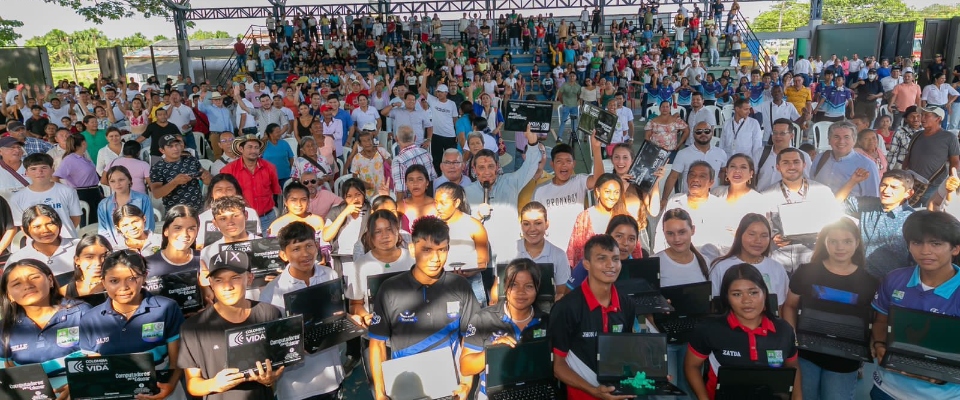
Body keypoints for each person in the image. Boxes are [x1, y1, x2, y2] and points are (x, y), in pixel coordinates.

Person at [368, 216, 478, 400]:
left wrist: (465, 385)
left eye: (442, 250)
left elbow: (470, 339)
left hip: (450, 390)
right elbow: (377, 343)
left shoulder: (460, 287)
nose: (435, 258)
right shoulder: (390, 290)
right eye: (426, 250)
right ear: (412, 249)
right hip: (404, 391)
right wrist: (380, 392)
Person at [780, 218, 878, 400]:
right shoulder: (806, 271)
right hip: (806, 353)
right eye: (833, 241)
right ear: (825, 242)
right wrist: (792, 339)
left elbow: (874, 319)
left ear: (857, 243)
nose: (840, 247)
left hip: (845, 359)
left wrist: (872, 343)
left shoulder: (870, 282)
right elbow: (790, 305)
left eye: (847, 241)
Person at [871, 210, 960, 399]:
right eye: (917, 242)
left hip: (942, 395)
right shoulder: (894, 279)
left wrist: (943, 373)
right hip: (886, 389)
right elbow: (880, 321)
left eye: (936, 243)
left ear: (955, 248)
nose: (925, 251)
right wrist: (879, 344)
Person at [79, 249, 187, 400]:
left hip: (162, 391)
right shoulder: (89, 320)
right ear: (103, 282)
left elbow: (178, 360)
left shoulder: (167, 308)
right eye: (114, 281)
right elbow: (97, 368)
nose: (123, 287)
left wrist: (169, 386)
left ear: (144, 277)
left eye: (132, 279)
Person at [179, 248, 285, 399]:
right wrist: (215, 384)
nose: (227, 286)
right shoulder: (193, 328)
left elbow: (277, 365)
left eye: (235, 278)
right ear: (211, 283)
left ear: (249, 278)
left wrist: (269, 380)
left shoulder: (269, 314)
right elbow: (193, 384)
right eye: (219, 280)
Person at [685, 263, 802, 400]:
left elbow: (793, 367)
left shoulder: (784, 330)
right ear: (727, 297)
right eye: (737, 294)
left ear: (764, 293)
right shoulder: (709, 329)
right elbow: (691, 365)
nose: (746, 300)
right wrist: (703, 398)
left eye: (753, 292)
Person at [258, 221, 345, 399]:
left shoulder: (330, 275)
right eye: (296, 249)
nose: (305, 254)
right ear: (283, 254)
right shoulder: (271, 293)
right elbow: (271, 344)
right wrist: (295, 346)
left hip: (331, 375)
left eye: (309, 246)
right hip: (295, 385)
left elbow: (337, 313)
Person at [550, 234, 639, 399]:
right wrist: (593, 390)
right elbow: (558, 367)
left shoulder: (627, 304)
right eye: (602, 258)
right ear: (586, 264)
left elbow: (626, 354)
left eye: (615, 259)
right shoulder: (566, 308)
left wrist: (651, 377)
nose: (610, 265)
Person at [461, 258, 551, 400]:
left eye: (528, 286)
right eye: (514, 285)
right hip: (492, 395)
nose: (521, 292)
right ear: (505, 287)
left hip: (534, 392)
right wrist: (493, 350)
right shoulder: (483, 319)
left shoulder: (547, 321)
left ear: (537, 288)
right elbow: (466, 367)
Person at [0, 259, 90, 400]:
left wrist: (80, 383)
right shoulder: (4, 329)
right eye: (17, 283)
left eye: (34, 277)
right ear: (9, 295)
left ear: (50, 280)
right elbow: (6, 378)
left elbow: (102, 358)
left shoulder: (81, 313)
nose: (28, 285)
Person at [466, 124, 542, 262]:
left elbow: (531, 164)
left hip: (508, 254)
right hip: (479, 256)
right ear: (474, 169)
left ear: (497, 167)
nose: (487, 172)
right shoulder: (466, 192)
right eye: (481, 168)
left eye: (490, 166)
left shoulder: (511, 182)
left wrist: (532, 142)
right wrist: (477, 216)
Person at [844, 169, 916, 278]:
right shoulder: (868, 204)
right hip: (856, 277)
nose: (886, 191)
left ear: (908, 193)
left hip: (889, 284)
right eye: (883, 185)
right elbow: (835, 202)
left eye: (894, 188)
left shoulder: (913, 220)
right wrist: (852, 181)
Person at [708, 213, 789, 311]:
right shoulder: (721, 268)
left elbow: (780, 307)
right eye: (752, 234)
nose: (758, 240)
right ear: (739, 234)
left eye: (764, 235)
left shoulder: (777, 268)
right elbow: (713, 307)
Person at [346, 209, 415, 318]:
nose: (385, 236)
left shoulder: (412, 259)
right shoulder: (360, 265)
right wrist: (366, 317)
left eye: (389, 229)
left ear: (397, 230)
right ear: (370, 235)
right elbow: (355, 304)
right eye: (378, 231)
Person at [531, 137, 604, 241]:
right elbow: (534, 221)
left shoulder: (579, 181)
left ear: (574, 164)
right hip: (552, 246)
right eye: (559, 161)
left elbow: (600, 180)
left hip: (577, 244)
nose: (564, 164)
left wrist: (596, 149)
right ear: (552, 164)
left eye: (568, 161)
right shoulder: (540, 191)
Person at [435, 182, 490, 305]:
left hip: (472, 285)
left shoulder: (473, 225)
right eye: (436, 203)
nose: (438, 207)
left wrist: (468, 273)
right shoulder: (433, 226)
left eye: (443, 203)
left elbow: (483, 262)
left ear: (457, 203)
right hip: (441, 283)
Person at [198, 195, 261, 303]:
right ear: (215, 223)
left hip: (264, 305)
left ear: (246, 215)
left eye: (235, 216)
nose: (230, 222)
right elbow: (208, 288)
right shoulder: (208, 252)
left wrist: (277, 278)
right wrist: (205, 286)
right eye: (223, 218)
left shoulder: (265, 246)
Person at [11, 153, 83, 238]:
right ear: (26, 172)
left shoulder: (68, 191)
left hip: (67, 240)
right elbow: (23, 225)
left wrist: (59, 235)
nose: (39, 172)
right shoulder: (17, 198)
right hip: (37, 244)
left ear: (52, 170)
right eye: (33, 169)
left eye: (44, 168)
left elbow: (75, 218)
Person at [566, 173, 630, 268]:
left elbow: (635, 250)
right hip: (592, 276)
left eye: (616, 192)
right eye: (608, 192)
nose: (612, 197)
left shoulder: (625, 217)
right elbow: (575, 253)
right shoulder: (584, 218)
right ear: (598, 191)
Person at [901, 106, 960, 205]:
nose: (922, 118)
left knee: (929, 213)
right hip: (912, 182)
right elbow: (908, 156)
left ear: (938, 119)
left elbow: (954, 162)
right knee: (907, 212)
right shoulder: (917, 135)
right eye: (922, 115)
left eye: (927, 115)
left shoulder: (949, 138)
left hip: (934, 185)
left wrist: (951, 181)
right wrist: (903, 174)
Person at [221, 134, 281, 229]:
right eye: (250, 147)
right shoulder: (228, 170)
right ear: (241, 149)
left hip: (268, 218)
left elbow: (275, 191)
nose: (253, 151)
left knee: (270, 244)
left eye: (256, 147)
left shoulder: (270, 168)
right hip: (242, 220)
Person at [812, 121, 881, 198]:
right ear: (829, 140)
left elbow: (873, 198)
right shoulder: (820, 158)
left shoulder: (867, 165)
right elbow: (811, 186)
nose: (841, 141)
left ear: (854, 141)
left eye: (846, 137)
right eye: (836, 137)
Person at [8, 204, 79, 276]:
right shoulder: (18, 258)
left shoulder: (79, 247)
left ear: (59, 224)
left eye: (50, 224)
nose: (45, 230)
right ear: (26, 229)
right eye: (37, 227)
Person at [144, 205, 202, 289]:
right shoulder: (147, 265)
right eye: (178, 228)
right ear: (166, 231)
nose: (185, 234)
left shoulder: (205, 259)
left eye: (191, 229)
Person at [197, 174, 261, 249]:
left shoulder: (251, 213)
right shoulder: (202, 217)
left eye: (229, 189)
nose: (224, 194)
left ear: (236, 192)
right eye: (219, 190)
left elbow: (258, 242)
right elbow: (199, 246)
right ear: (211, 193)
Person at [151, 134, 212, 212]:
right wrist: (175, 182)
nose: (175, 148)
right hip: (176, 213)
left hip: (197, 209)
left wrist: (206, 177)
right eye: (170, 146)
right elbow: (156, 194)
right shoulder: (157, 167)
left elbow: (207, 180)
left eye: (177, 145)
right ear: (162, 150)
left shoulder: (191, 160)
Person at [664, 121, 727, 197]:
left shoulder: (721, 153)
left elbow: (724, 173)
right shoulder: (683, 153)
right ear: (693, 134)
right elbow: (673, 177)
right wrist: (664, 198)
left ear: (712, 133)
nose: (703, 134)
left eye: (707, 131)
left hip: (713, 200)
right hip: (689, 200)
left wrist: (724, 193)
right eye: (699, 132)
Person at [98, 165, 155, 245]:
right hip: (115, 248)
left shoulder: (143, 199)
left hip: (141, 245)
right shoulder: (104, 205)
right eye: (112, 181)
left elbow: (148, 227)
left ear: (129, 180)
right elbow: (103, 231)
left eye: (121, 180)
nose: (117, 184)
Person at [52, 134, 103, 224]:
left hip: (94, 190)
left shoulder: (84, 157)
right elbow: (56, 176)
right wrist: (63, 190)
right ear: (83, 143)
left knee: (96, 220)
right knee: (88, 221)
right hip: (82, 192)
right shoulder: (70, 159)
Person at [322, 178, 370, 261]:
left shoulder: (370, 211)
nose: (355, 199)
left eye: (358, 194)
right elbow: (326, 237)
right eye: (349, 196)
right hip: (341, 257)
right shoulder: (336, 211)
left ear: (364, 194)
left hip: (365, 257)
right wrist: (344, 213)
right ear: (344, 197)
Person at [347, 124, 391, 197]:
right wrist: (363, 184)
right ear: (360, 145)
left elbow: (392, 166)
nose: (368, 143)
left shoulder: (381, 151)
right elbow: (354, 177)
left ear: (372, 141)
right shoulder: (357, 158)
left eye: (369, 140)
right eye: (364, 141)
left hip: (383, 190)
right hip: (367, 193)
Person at [391, 125, 437, 193]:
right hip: (429, 197)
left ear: (396, 139)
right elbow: (433, 178)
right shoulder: (425, 153)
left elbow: (400, 191)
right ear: (415, 138)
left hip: (410, 201)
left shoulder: (398, 161)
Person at [261, 123, 296, 188]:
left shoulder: (284, 143)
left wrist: (293, 172)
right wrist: (263, 139)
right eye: (277, 132)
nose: (280, 133)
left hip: (285, 175)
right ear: (270, 134)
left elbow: (291, 158)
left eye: (280, 131)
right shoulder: (264, 145)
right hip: (269, 177)